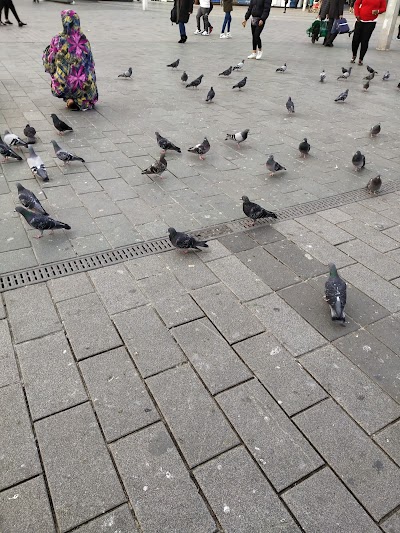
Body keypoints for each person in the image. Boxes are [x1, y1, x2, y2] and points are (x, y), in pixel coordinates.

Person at [42, 10, 98, 111]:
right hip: (85, 85)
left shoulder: (58, 39)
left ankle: (70, 96)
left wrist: (55, 70)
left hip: (66, 85)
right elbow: (91, 64)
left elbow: (49, 63)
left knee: (57, 64)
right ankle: (81, 99)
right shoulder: (84, 40)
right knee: (85, 71)